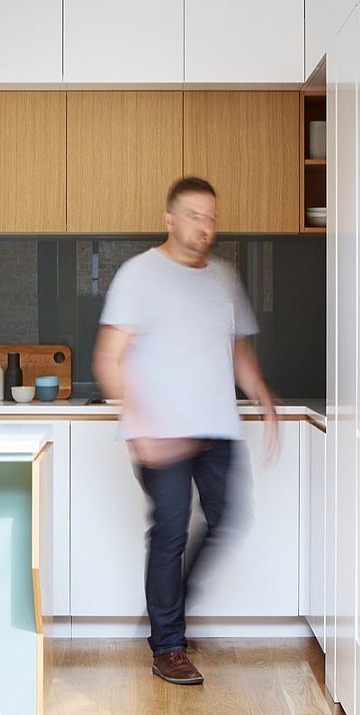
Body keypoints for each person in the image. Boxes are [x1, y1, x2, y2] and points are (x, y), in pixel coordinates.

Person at [94, 176, 280, 686]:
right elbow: (109, 356)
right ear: (169, 219)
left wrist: (262, 395)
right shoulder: (139, 275)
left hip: (216, 428)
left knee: (227, 520)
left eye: (211, 217)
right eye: (194, 215)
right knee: (171, 534)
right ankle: (169, 644)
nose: (204, 226)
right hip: (162, 433)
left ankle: (167, 614)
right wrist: (141, 425)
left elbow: (237, 348)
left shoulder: (223, 278)